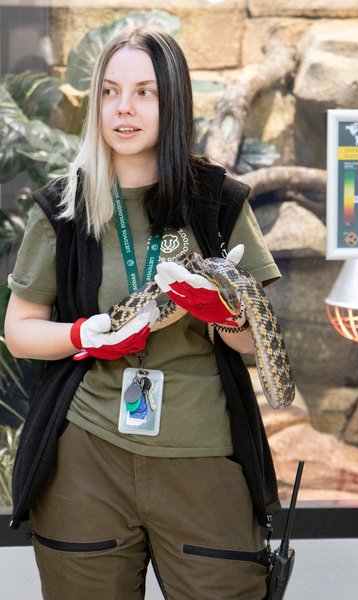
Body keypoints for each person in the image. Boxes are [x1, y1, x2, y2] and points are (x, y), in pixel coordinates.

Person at [5, 27, 282, 600]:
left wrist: (224, 314)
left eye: (144, 92)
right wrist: (88, 334)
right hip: (87, 454)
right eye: (109, 91)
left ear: (172, 101)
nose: (123, 109)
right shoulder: (63, 206)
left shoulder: (219, 201)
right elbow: (20, 332)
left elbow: (260, 343)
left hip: (203, 456)